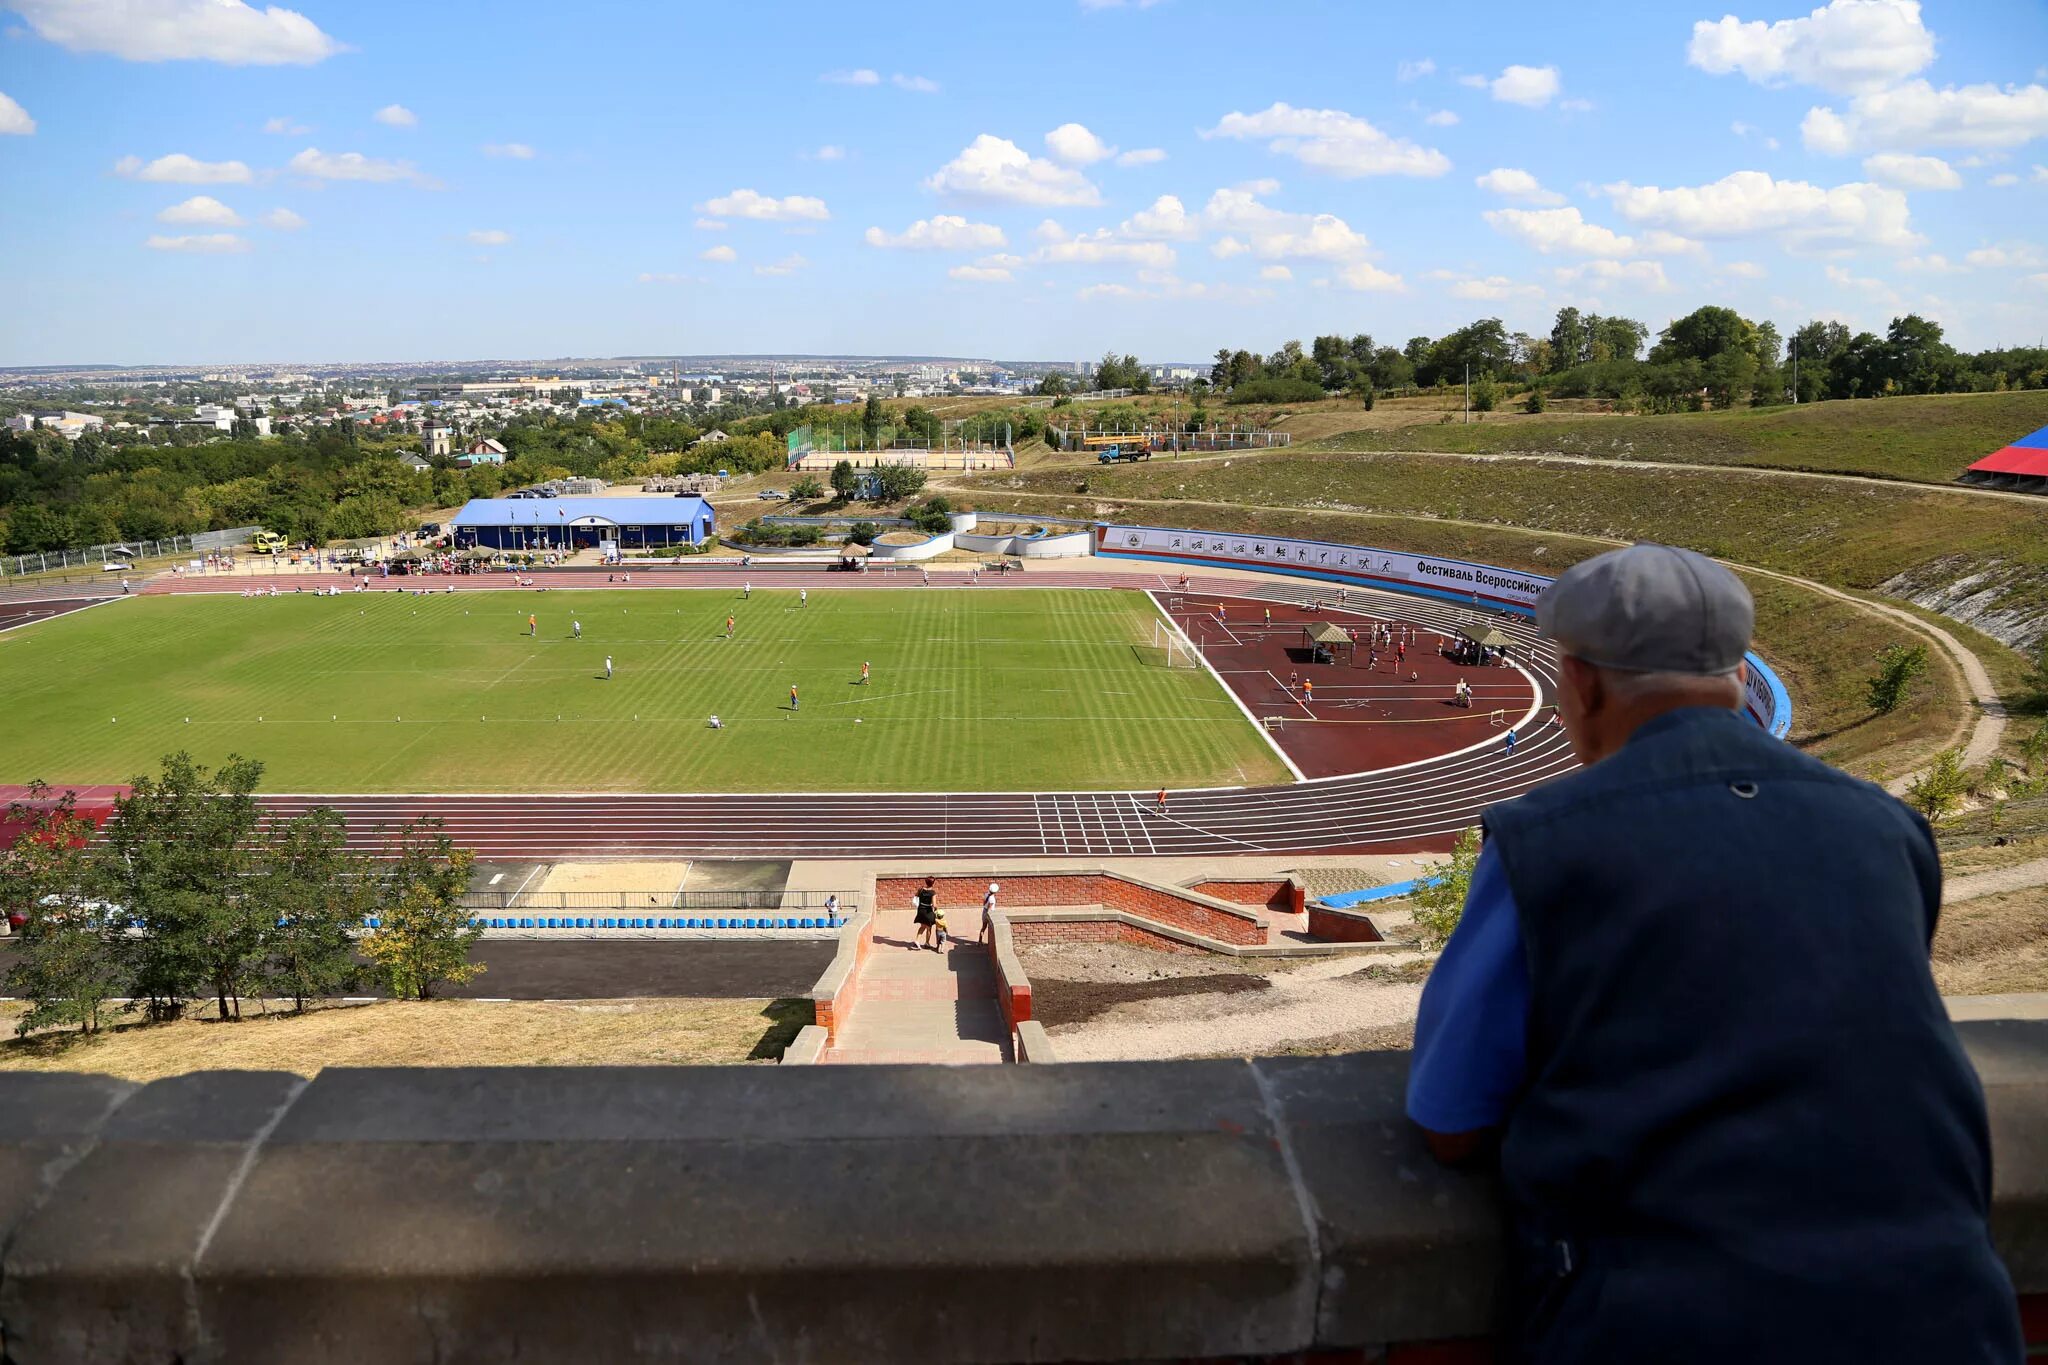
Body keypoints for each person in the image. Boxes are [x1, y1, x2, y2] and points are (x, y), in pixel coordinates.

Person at [1405, 542, 2020, 1363]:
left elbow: (1451, 1119)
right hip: (1950, 1312)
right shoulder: (1885, 825)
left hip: (1668, 1319)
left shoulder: (1543, 839)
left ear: (1582, 684)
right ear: (1739, 678)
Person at [912, 876, 937, 950]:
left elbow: (916, 896)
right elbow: (934, 905)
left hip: (920, 909)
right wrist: (936, 909)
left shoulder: (921, 889)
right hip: (928, 911)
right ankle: (927, 943)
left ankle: (917, 940)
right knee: (929, 927)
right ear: (933, 883)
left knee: (922, 926)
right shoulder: (933, 893)